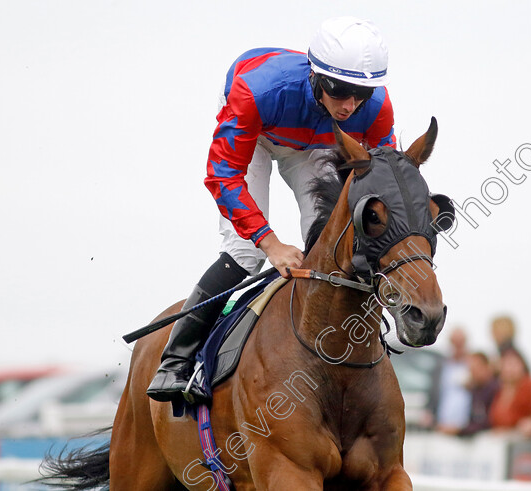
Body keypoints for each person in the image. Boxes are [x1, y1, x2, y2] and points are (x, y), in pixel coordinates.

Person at [147, 17, 396, 403]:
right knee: (245, 254)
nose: (349, 105)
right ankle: (176, 360)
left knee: (330, 240)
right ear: (317, 76)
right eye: (340, 91)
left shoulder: (375, 107)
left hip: (314, 143)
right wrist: (270, 243)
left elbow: (385, 176)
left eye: (360, 93)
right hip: (259, 135)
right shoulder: (257, 91)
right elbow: (223, 176)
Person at [425, 329, 473, 434]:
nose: (458, 347)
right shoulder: (441, 367)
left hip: (466, 428)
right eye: (455, 343)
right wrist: (429, 413)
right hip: (442, 426)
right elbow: (433, 393)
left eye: (460, 343)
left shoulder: (472, 367)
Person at [488, 348, 531, 430]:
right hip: (500, 436)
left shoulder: (530, 386)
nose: (509, 369)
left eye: (513, 364)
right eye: (505, 365)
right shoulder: (499, 390)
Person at [460, 351, 499, 436]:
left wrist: (459, 430)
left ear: (487, 367)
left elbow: (487, 422)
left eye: (476, 368)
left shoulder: (496, 389)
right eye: (470, 369)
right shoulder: (475, 390)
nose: (472, 373)